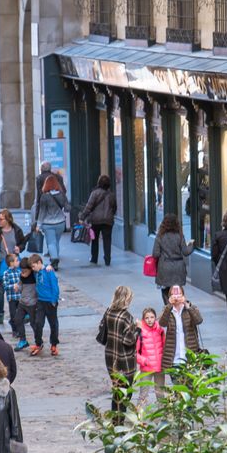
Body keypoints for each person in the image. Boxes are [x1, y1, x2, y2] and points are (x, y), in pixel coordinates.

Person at [97, 285, 140, 415]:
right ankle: (119, 419)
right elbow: (129, 340)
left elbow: (101, 329)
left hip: (111, 357)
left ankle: (116, 418)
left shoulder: (108, 312)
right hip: (125, 359)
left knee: (117, 388)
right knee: (126, 392)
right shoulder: (126, 316)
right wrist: (138, 328)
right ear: (126, 299)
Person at [151, 213, 194, 306]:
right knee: (178, 292)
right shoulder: (180, 235)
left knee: (165, 291)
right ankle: (177, 311)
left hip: (165, 267)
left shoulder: (160, 236)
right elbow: (186, 252)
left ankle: (168, 309)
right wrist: (191, 245)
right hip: (178, 268)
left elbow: (155, 253)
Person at [0, 210, 26, 317]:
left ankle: (20, 313)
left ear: (8, 219)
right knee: (0, 292)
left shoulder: (17, 230)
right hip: (0, 265)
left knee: (17, 289)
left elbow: (22, 243)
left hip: (14, 265)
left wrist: (20, 248)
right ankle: (0, 312)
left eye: (1, 219)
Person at [160, 286, 203, 375]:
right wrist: (169, 306)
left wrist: (187, 306)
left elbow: (199, 320)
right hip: (174, 357)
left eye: (179, 293)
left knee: (191, 386)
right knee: (177, 386)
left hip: (190, 356)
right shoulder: (167, 310)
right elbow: (162, 323)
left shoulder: (191, 308)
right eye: (173, 294)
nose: (176, 296)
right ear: (170, 297)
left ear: (183, 295)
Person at [32, 176, 71, 269]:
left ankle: (54, 260)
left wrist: (38, 225)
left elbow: (42, 212)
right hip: (61, 222)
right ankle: (55, 256)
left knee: (51, 243)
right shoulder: (62, 194)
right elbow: (67, 208)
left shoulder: (44, 196)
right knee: (56, 241)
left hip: (48, 223)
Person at [81, 175, 118, 266]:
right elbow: (114, 207)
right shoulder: (111, 195)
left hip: (95, 220)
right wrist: (110, 215)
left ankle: (94, 259)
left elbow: (88, 207)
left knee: (94, 239)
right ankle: (107, 259)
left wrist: (82, 216)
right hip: (108, 221)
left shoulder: (94, 193)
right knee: (107, 240)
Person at [28, 255, 60, 357]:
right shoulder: (36, 272)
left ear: (39, 263)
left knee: (53, 324)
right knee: (38, 322)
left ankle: (54, 344)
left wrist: (54, 300)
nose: (33, 269)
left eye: (33, 266)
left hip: (50, 302)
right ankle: (39, 343)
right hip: (40, 301)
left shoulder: (48, 271)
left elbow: (55, 286)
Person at [135, 307, 166, 404]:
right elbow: (134, 352)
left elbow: (165, 347)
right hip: (146, 368)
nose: (149, 320)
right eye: (147, 318)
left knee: (160, 393)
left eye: (152, 317)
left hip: (159, 367)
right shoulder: (140, 332)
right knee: (143, 394)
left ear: (155, 318)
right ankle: (139, 416)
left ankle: (162, 415)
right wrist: (144, 361)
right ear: (143, 319)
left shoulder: (160, 330)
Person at [0, 253, 25, 345]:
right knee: (13, 314)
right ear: (11, 263)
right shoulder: (6, 273)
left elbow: (22, 283)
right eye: (16, 261)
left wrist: (20, 286)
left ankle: (19, 329)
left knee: (19, 314)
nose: (18, 262)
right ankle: (14, 330)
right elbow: (5, 286)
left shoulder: (19, 272)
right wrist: (13, 286)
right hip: (12, 298)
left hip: (19, 297)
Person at [17, 254, 38, 352]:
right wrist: (17, 287)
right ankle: (23, 340)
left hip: (32, 304)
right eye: (21, 271)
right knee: (17, 319)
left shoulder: (35, 277)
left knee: (34, 324)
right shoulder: (21, 277)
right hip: (22, 302)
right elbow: (21, 287)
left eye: (25, 271)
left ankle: (38, 341)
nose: (22, 273)